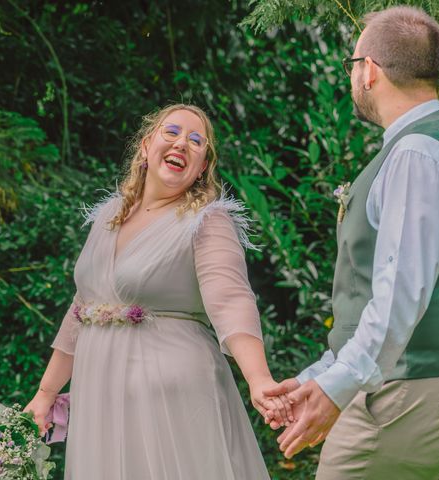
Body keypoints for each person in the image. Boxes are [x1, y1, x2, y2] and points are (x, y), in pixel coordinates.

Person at [264, 5, 439, 479]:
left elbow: (399, 296)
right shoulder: (437, 143)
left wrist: (337, 390)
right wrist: (320, 377)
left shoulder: (416, 154)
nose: (353, 76)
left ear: (370, 71)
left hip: (416, 392)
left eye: (353, 65)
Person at [23, 103, 289, 479]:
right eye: (172, 132)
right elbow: (82, 308)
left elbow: (231, 301)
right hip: (103, 397)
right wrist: (46, 393)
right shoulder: (108, 216)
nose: (183, 143)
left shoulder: (207, 221)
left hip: (172, 399)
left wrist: (259, 379)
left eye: (196, 141)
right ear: (146, 146)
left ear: (202, 167)